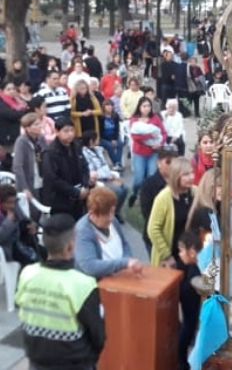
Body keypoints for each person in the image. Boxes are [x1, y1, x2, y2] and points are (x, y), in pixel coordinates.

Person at [15, 213, 105, 369]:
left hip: (37, 363)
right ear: (70, 246)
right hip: (74, 364)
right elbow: (98, 337)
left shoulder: (27, 274)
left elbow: (22, 310)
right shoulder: (83, 284)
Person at [74, 187, 142, 279]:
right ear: (92, 214)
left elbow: (124, 244)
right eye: (106, 214)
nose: (111, 217)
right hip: (99, 284)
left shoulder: (113, 221)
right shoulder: (83, 231)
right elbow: (90, 266)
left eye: (113, 212)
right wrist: (124, 263)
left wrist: (128, 261)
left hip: (119, 276)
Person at [147, 157, 195, 267]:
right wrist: (167, 255)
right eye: (186, 174)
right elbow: (153, 229)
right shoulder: (163, 198)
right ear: (176, 176)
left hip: (191, 255)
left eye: (192, 173)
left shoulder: (195, 192)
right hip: (171, 258)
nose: (191, 177)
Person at [41, 118, 92, 219]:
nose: (70, 134)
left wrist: (85, 185)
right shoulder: (50, 153)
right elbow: (52, 179)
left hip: (79, 191)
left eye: (72, 130)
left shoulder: (76, 146)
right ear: (57, 131)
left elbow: (84, 167)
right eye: (66, 131)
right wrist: (74, 192)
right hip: (60, 198)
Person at [140, 146, 179, 253]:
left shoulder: (181, 182)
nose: (172, 166)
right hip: (157, 238)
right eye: (168, 162)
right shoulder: (149, 185)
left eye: (175, 162)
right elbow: (147, 214)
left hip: (177, 237)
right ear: (159, 163)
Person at [81, 131, 129, 217]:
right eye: (97, 139)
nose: (99, 140)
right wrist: (108, 176)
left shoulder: (99, 150)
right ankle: (110, 213)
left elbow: (105, 166)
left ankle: (116, 212)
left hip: (107, 177)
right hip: (98, 180)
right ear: (91, 141)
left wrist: (113, 176)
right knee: (118, 191)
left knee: (125, 188)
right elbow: (92, 172)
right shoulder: (84, 154)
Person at [129, 96, 167, 201]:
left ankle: (147, 197)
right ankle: (135, 193)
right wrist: (151, 136)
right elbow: (135, 137)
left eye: (148, 106)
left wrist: (160, 143)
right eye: (144, 106)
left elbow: (163, 133)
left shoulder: (155, 118)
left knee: (151, 176)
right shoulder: (134, 119)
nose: (147, 108)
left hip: (153, 153)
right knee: (139, 179)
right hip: (139, 153)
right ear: (139, 107)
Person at [177, 230, 202, 369]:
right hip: (189, 308)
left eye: (181, 251)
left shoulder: (195, 267)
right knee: (187, 330)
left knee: (187, 331)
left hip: (191, 310)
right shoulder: (194, 267)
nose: (180, 254)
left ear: (192, 251)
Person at [13, 113, 45, 205]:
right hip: (30, 181)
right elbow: (17, 167)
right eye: (36, 124)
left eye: (40, 123)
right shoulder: (21, 142)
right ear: (27, 128)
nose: (40, 126)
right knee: (34, 210)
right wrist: (24, 188)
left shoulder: (41, 138)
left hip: (43, 177)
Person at [99, 100, 124, 169]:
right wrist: (110, 140)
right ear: (104, 107)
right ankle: (117, 163)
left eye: (111, 105)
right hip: (104, 138)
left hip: (114, 136)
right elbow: (100, 131)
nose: (109, 107)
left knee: (120, 143)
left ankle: (117, 163)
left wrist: (114, 139)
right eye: (107, 105)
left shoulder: (115, 115)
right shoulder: (100, 117)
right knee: (109, 145)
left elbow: (117, 129)